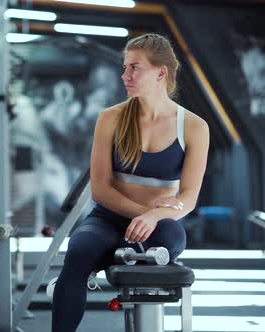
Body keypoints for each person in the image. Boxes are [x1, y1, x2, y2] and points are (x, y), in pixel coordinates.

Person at [51, 33, 209, 332]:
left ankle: (119, 251)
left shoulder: (193, 127)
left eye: (134, 68)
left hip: (157, 226)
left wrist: (154, 216)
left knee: (171, 240)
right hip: (107, 220)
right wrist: (143, 213)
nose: (125, 75)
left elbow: (188, 197)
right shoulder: (110, 118)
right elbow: (100, 189)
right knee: (79, 250)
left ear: (160, 72)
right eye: (125, 68)